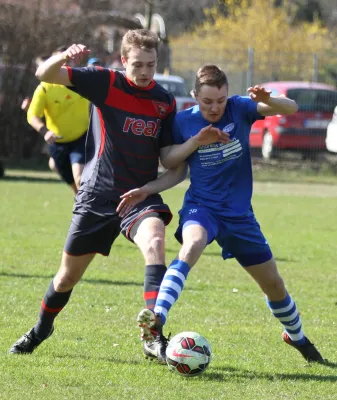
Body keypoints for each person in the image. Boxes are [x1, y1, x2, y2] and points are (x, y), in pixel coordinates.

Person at [8, 31, 229, 361]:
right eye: (137, 64)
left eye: (151, 65)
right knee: (67, 277)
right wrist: (66, 56)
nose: (144, 72)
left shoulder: (164, 102)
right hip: (96, 196)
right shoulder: (104, 82)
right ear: (123, 61)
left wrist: (149, 188)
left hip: (138, 197)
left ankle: (153, 335)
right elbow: (45, 74)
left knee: (155, 242)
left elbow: (174, 166)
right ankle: (41, 329)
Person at [117, 64, 325, 364]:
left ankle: (298, 338)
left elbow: (290, 107)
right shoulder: (183, 122)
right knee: (192, 244)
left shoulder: (240, 108)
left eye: (220, 100)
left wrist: (270, 97)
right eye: (207, 102)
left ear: (228, 96)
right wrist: (190, 148)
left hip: (239, 216)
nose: (215, 107)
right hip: (202, 207)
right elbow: (170, 163)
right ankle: (158, 316)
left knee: (274, 284)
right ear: (195, 97)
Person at [26, 48, 90, 194]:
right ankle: (82, 203)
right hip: (58, 142)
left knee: (79, 178)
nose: (66, 65)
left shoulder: (82, 82)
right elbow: (32, 115)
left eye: (69, 61)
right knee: (72, 183)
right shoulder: (45, 88)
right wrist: (45, 132)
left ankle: (86, 208)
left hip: (81, 138)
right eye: (62, 61)